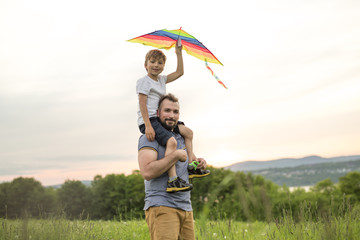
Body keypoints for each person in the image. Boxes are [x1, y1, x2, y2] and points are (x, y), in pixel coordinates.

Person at [138, 93, 210, 240]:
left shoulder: (180, 138)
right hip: (162, 206)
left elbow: (190, 163)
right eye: (167, 111)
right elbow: (147, 172)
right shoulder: (149, 137)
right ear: (158, 113)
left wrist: (200, 162)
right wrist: (175, 156)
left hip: (185, 207)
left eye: (175, 112)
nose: (171, 115)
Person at [136, 40, 203, 193]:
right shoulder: (143, 82)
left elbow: (180, 72)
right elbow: (142, 103)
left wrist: (179, 53)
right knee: (171, 141)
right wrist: (147, 125)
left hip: (159, 118)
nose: (156, 65)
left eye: (160, 63)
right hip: (150, 120)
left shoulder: (161, 80)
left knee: (188, 132)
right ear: (145, 64)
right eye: (152, 62)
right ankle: (173, 180)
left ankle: (192, 166)